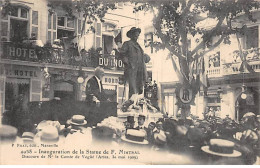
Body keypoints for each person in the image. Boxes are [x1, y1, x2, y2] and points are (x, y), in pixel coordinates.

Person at [119, 27, 150, 105]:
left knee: (139, 89)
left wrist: (146, 57)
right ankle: (131, 104)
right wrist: (127, 62)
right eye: (135, 35)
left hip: (140, 70)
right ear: (131, 35)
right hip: (132, 69)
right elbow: (122, 53)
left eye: (137, 35)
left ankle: (136, 104)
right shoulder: (127, 44)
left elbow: (143, 56)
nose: (137, 37)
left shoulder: (139, 47)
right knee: (133, 89)